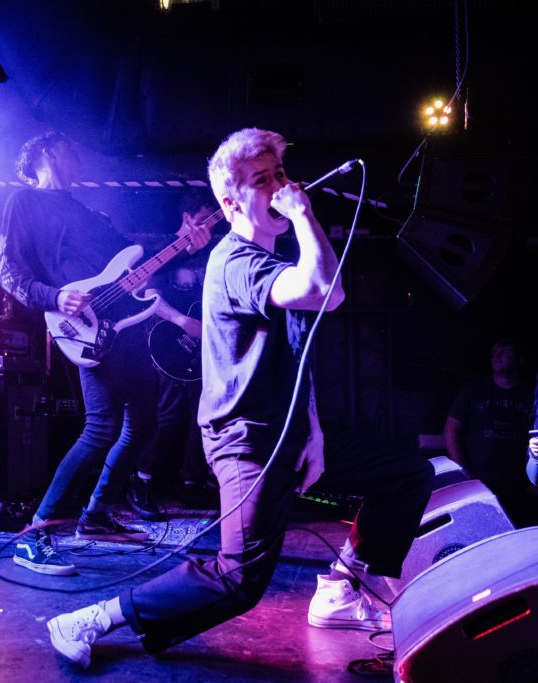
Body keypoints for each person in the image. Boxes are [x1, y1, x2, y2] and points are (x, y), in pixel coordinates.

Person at [44, 127, 433, 668]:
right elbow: (328, 291)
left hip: (290, 430)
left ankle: (343, 589)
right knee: (238, 579)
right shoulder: (237, 261)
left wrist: (315, 432)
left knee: (406, 473)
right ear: (229, 202)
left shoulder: (271, 264)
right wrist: (302, 213)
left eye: (281, 174)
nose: (279, 186)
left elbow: (299, 362)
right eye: (262, 180)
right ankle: (91, 618)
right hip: (245, 441)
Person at [0, 131, 208, 576]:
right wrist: (55, 298)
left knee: (146, 422)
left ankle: (95, 515)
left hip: (122, 327)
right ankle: (35, 533)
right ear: (47, 152)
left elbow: (134, 264)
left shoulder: (86, 210)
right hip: (82, 327)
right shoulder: (23, 203)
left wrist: (182, 242)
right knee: (101, 427)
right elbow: (9, 271)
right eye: (71, 148)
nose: (78, 155)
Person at [128, 191, 219, 519]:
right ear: (187, 218)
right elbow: (150, 296)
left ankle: (193, 485)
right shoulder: (165, 251)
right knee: (168, 417)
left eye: (214, 220)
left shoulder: (211, 254)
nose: (210, 226)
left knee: (202, 417)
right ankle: (141, 483)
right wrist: (183, 321)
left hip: (202, 346)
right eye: (205, 219)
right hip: (168, 344)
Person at [445, 337, 535, 526]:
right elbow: (452, 428)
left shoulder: (531, 394)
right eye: (494, 352)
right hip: (482, 483)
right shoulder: (475, 390)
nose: (497, 356)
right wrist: (462, 472)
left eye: (505, 351)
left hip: (520, 486)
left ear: (520, 359)